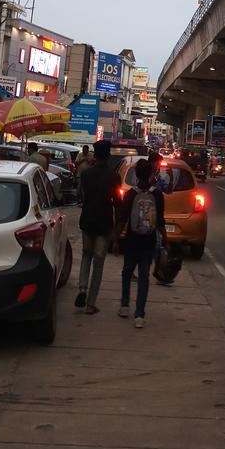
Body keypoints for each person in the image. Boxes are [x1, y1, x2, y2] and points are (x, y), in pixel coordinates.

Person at [113, 158, 167, 328]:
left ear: (136, 174)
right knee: (144, 277)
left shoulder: (131, 194)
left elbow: (122, 219)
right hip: (149, 241)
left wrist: (116, 239)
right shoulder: (157, 195)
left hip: (131, 240)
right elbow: (160, 221)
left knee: (127, 272)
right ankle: (139, 315)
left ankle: (124, 305)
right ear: (151, 173)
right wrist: (165, 240)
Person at [75, 139, 119, 315]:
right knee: (98, 262)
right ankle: (91, 304)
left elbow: (82, 196)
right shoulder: (113, 177)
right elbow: (117, 203)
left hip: (87, 220)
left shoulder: (86, 174)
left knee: (86, 255)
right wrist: (117, 230)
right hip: (104, 222)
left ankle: (82, 289)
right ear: (108, 156)